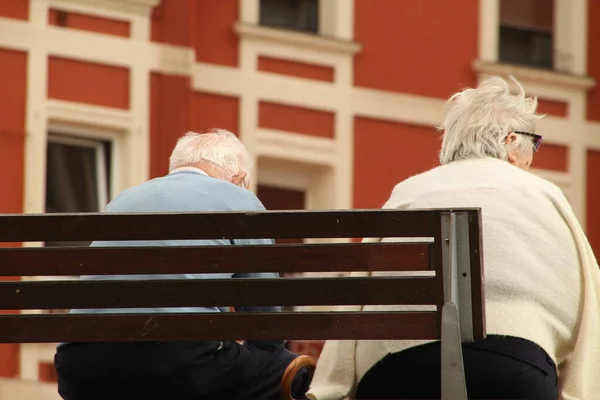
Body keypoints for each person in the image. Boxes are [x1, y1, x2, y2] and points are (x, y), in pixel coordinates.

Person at [306, 76, 600, 400]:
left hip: (397, 370)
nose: (531, 159)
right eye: (534, 145)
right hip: (510, 370)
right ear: (511, 141)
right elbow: (585, 294)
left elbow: (360, 285)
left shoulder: (409, 191)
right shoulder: (545, 195)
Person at [54, 129, 310, 400]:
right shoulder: (240, 200)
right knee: (288, 371)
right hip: (176, 368)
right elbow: (267, 329)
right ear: (239, 179)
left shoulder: (123, 200)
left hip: (80, 366)